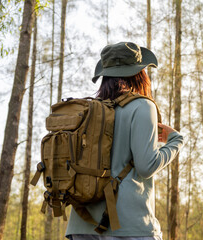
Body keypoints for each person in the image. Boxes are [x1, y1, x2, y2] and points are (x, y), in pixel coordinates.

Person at [66, 42, 184, 240]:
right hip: (129, 227)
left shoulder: (86, 111)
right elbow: (147, 166)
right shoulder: (142, 106)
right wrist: (175, 141)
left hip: (81, 225)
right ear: (139, 74)